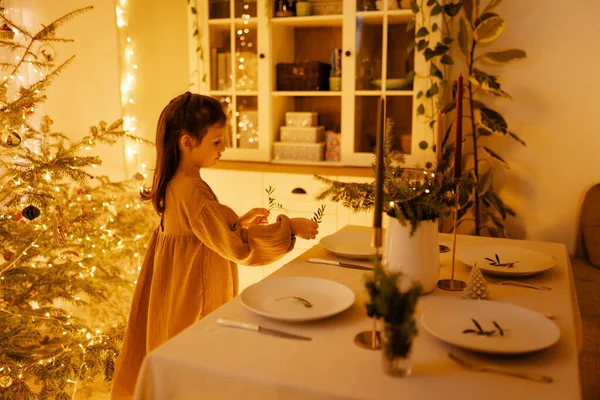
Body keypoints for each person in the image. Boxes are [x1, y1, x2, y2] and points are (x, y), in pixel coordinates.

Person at [110, 92, 319, 399]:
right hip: (196, 297)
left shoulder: (174, 182)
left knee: (180, 363)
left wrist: (237, 221)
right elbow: (237, 248)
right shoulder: (193, 191)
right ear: (188, 142)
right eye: (217, 142)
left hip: (174, 296)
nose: (223, 149)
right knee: (200, 366)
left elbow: (200, 231)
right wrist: (289, 230)